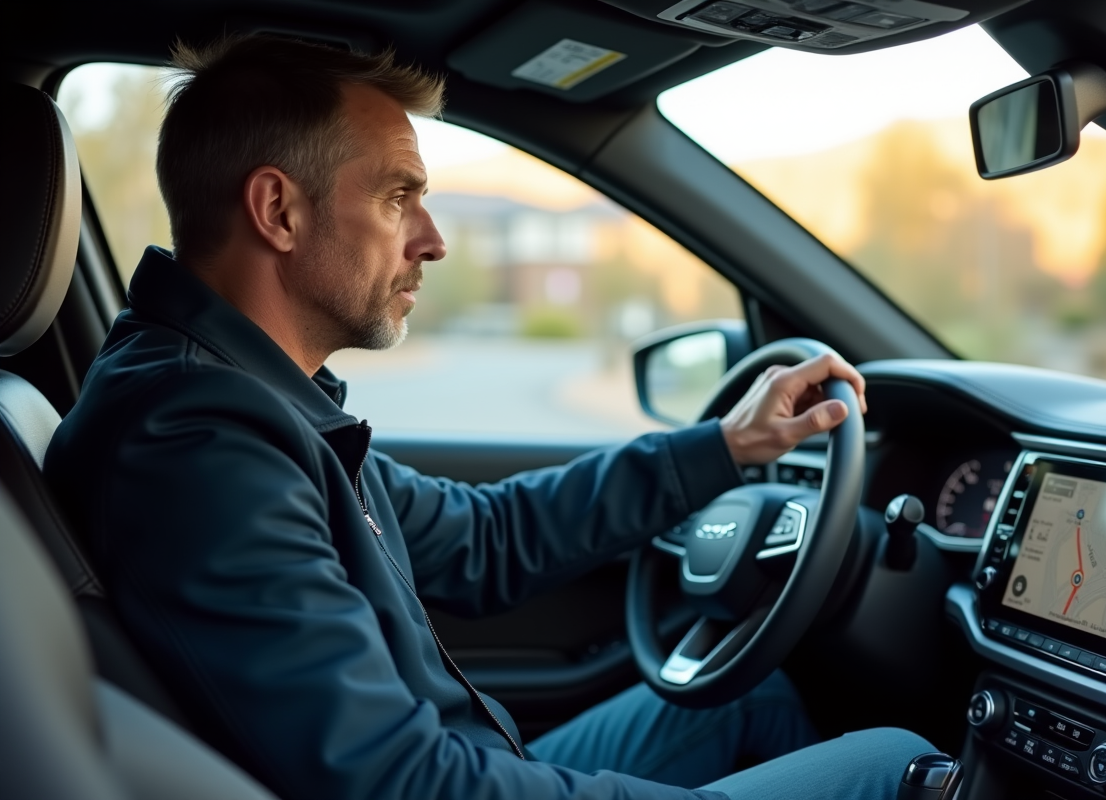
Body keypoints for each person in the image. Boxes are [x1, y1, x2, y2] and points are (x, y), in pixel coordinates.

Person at [45, 34, 932, 800]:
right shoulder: (200, 446)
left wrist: (730, 448)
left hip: (468, 763)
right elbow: (395, 783)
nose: (433, 238)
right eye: (399, 197)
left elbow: (483, 540)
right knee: (895, 765)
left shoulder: (246, 404)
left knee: (755, 694)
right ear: (279, 209)